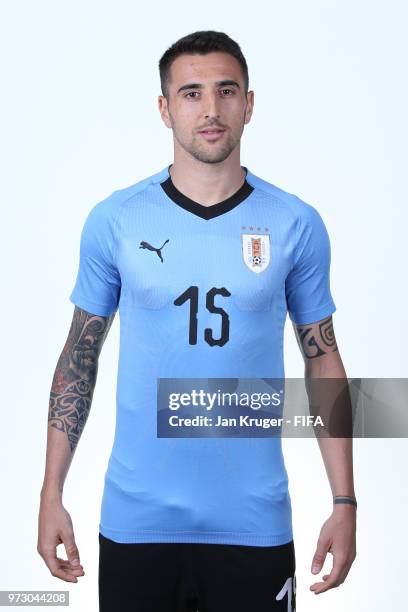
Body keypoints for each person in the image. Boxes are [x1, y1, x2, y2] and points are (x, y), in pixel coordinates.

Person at [37, 30, 357, 612]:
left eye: (225, 91)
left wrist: (344, 502)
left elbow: (322, 359)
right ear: (164, 108)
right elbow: (78, 358)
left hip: (254, 525)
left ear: (249, 103)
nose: (210, 110)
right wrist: (50, 491)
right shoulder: (115, 219)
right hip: (137, 525)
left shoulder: (295, 223)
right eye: (190, 93)